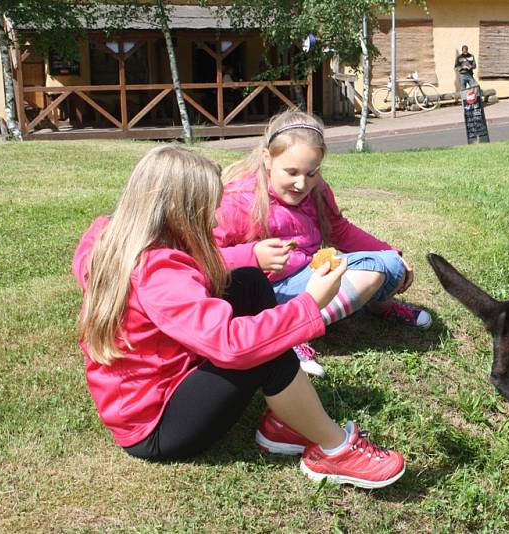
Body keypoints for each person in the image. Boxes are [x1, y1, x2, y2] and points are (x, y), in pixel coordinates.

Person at [73, 145, 405, 488]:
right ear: (179, 212)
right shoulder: (159, 272)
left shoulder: (113, 237)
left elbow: (192, 272)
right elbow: (234, 345)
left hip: (149, 390)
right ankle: (335, 451)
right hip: (156, 426)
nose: (215, 219)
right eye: (208, 212)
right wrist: (310, 302)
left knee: (248, 282)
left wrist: (250, 256)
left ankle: (288, 419)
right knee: (263, 351)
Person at [214, 109, 432, 377]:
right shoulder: (238, 199)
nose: (301, 183)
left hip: (307, 277)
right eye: (291, 172)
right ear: (267, 158)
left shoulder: (317, 189)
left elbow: (339, 230)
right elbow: (203, 257)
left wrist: (390, 251)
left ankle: (378, 308)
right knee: (373, 272)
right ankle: (285, 335)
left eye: (311, 173)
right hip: (264, 296)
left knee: (391, 265)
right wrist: (252, 254)